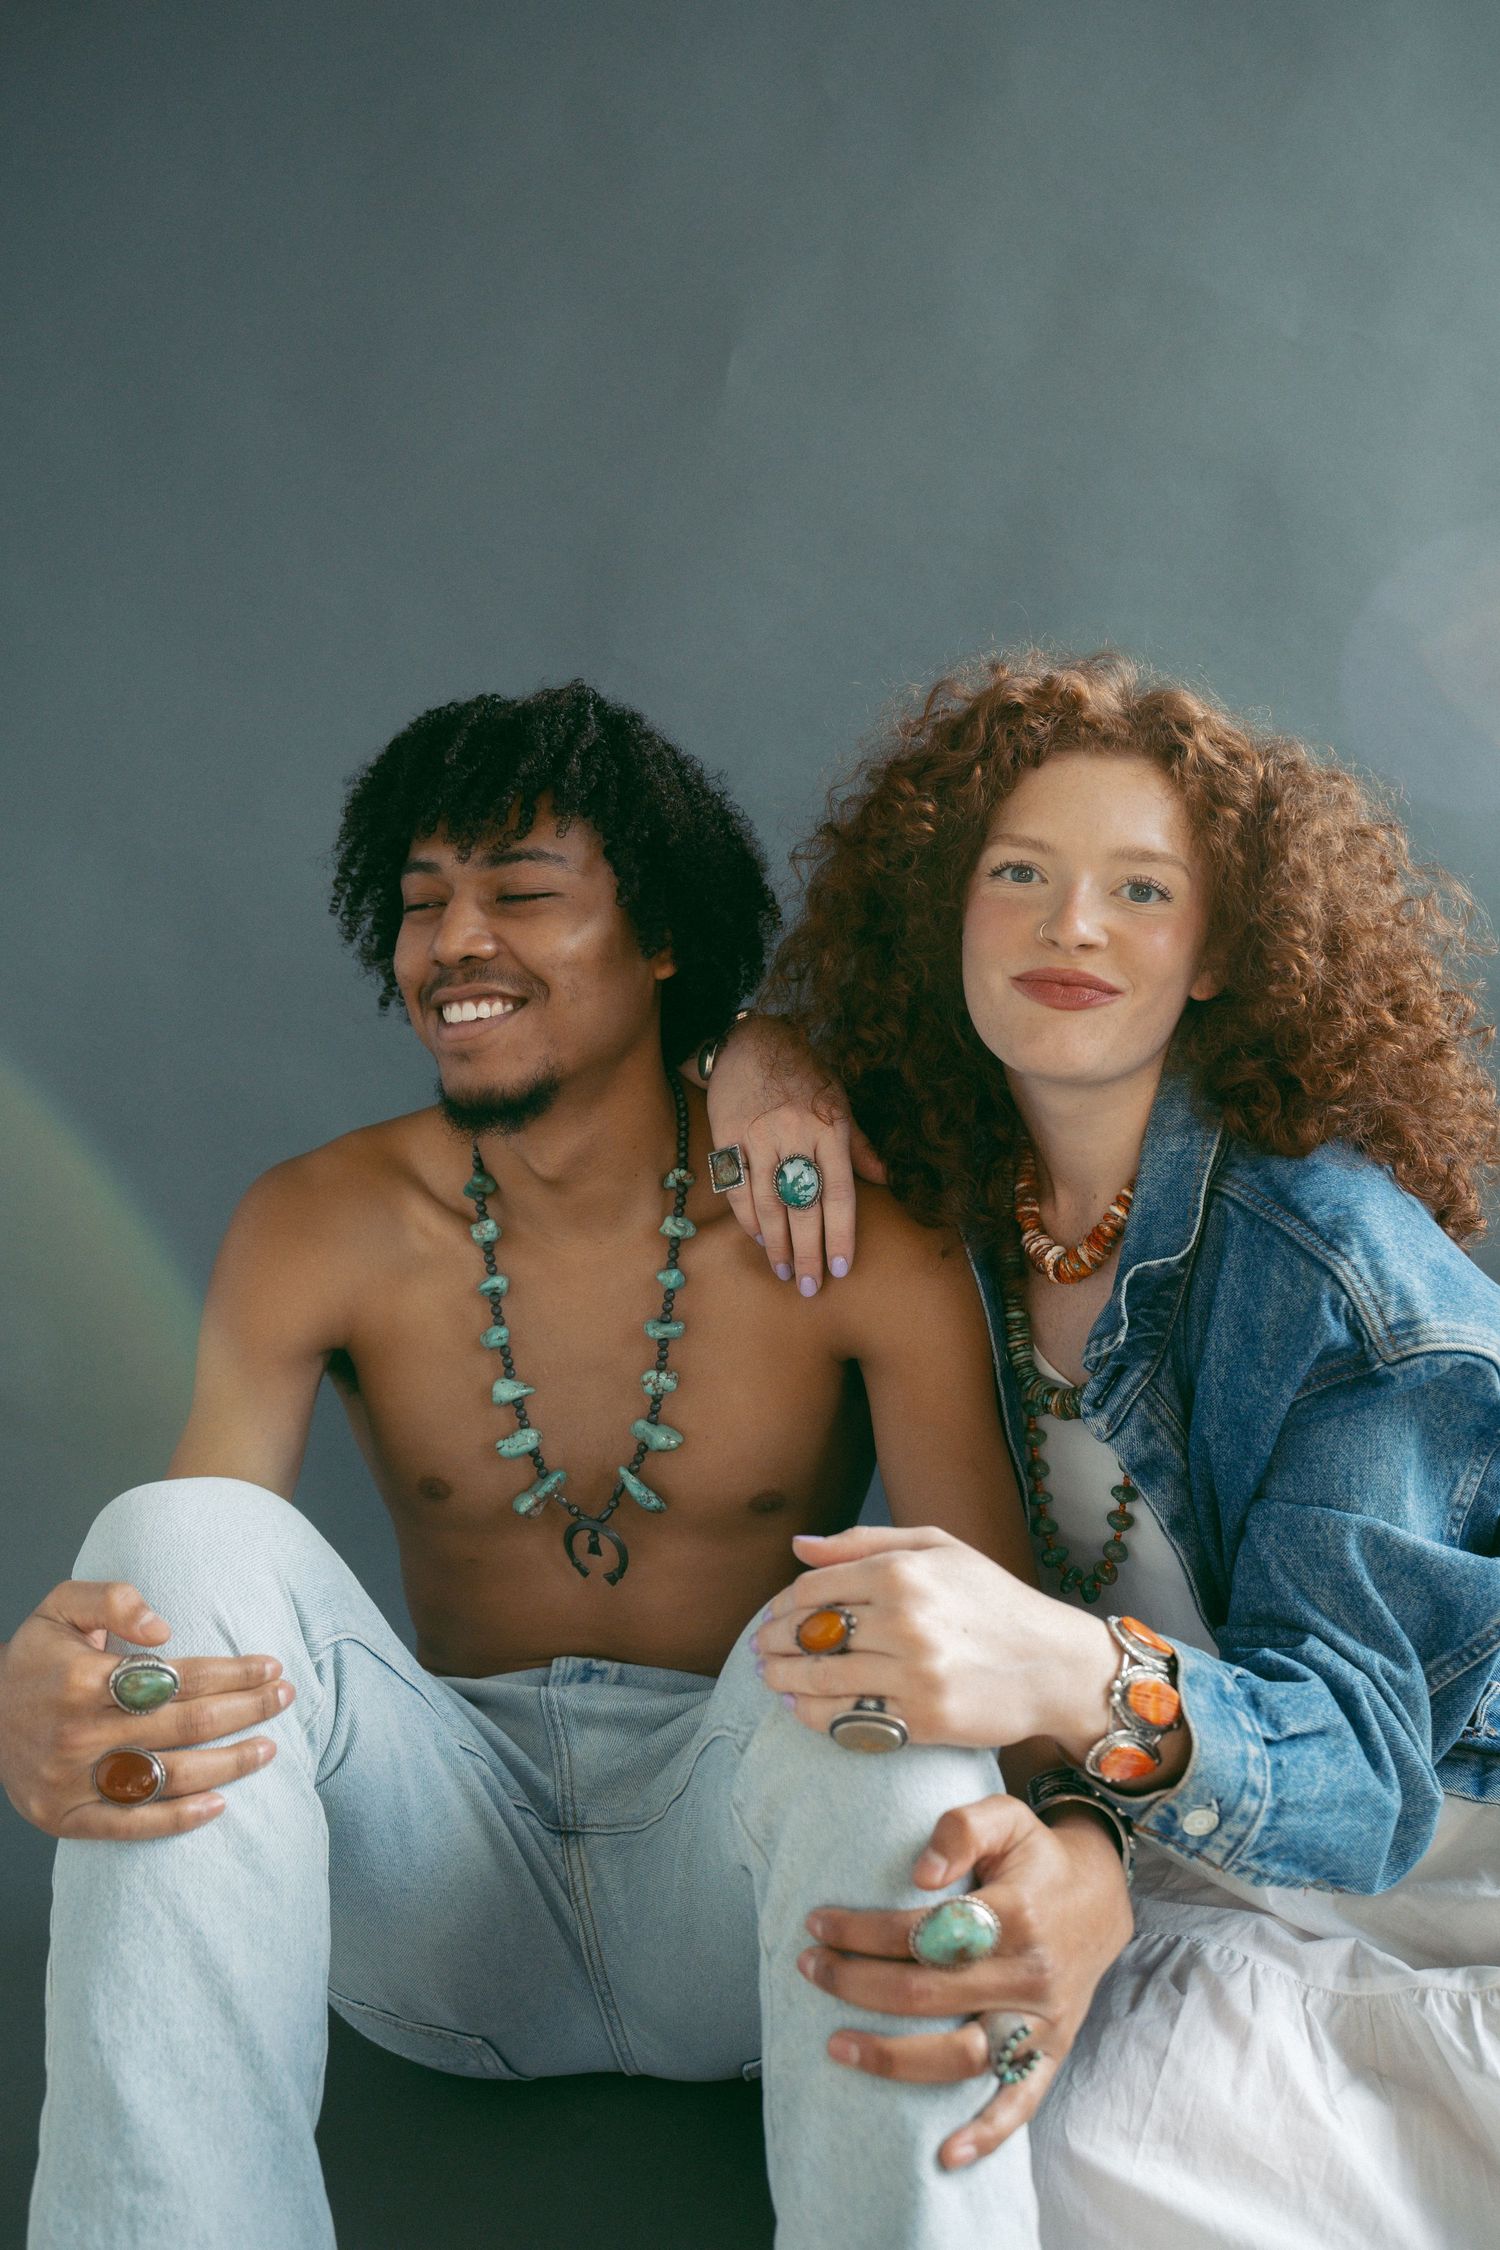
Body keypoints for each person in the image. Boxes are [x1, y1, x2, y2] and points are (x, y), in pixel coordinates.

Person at [3, 683, 1131, 2250]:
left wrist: (1082, 1853)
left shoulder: (854, 1230)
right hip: (438, 1885)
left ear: (659, 935)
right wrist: (71, 1689)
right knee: (167, 1529)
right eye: (422, 903)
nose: (455, 941)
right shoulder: (318, 1221)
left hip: (746, 1893)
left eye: (521, 892)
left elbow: (996, 1634)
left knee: (879, 1643)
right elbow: (188, 1616)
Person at [703, 650, 1500, 2245]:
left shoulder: (1341, 1276)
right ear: (944, 915)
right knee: (976, 2112)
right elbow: (685, 1078)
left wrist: (1059, 1667)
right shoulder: (947, 1180)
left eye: (1143, 889)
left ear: (1220, 953)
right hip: (1191, 1858)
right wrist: (749, 1053)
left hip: (1434, 1897)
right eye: (1019, 874)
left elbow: (1364, 1780)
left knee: (1075, 2155)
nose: (1072, 924)